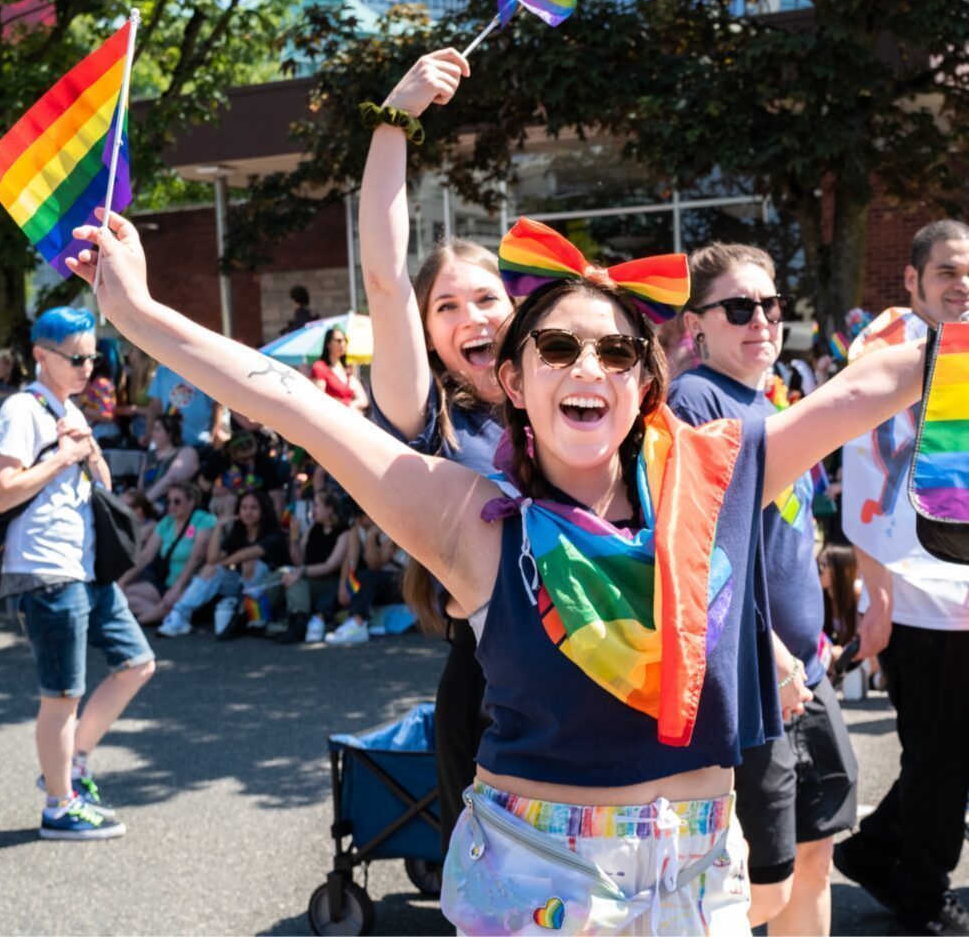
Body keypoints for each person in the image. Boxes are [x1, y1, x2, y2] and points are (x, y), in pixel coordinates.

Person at [68, 187, 932, 931]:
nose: (586, 364)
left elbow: (866, 387)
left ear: (642, 386)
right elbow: (290, 402)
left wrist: (953, 330)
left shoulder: (718, 475)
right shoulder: (473, 518)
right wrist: (139, 312)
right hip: (531, 882)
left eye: (614, 352)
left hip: (697, 875)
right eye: (557, 348)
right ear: (515, 382)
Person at [669, 242, 858, 936]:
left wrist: (817, 636)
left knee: (817, 852)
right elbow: (698, 554)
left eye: (770, 304)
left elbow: (788, 537)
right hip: (753, 682)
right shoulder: (696, 399)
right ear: (697, 326)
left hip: (806, 670)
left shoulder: (772, 396)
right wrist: (769, 648)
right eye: (739, 307)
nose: (762, 320)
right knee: (755, 889)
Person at [358, 48, 514, 853]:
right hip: (485, 689)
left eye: (487, 297)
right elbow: (385, 276)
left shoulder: (567, 405)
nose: (471, 315)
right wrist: (397, 117)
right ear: (426, 334)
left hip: (597, 681)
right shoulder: (429, 419)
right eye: (446, 305)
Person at [836, 219, 969, 937]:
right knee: (941, 757)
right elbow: (864, 483)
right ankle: (921, 900)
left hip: (959, 587)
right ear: (913, 281)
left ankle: (873, 850)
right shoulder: (887, 361)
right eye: (947, 271)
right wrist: (876, 597)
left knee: (946, 753)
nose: (963, 284)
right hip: (919, 595)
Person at [0, 306, 155, 840]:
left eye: (94, 356)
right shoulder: (21, 409)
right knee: (62, 693)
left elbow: (100, 477)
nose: (89, 367)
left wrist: (85, 450)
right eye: (77, 357)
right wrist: (61, 457)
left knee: (137, 663)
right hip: (44, 568)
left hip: (84, 568)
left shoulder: (70, 409)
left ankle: (71, 765)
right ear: (41, 356)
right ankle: (59, 805)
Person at [156, 488, 287, 638]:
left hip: (273, 588)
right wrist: (218, 527)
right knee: (211, 569)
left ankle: (256, 619)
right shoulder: (239, 532)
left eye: (253, 508)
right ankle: (180, 615)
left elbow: (245, 554)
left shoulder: (274, 534)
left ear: (264, 510)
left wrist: (223, 562)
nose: (248, 512)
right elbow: (212, 559)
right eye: (244, 507)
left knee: (249, 563)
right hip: (241, 587)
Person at [118, 482, 216, 625]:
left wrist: (177, 587)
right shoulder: (167, 522)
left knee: (152, 609)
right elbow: (146, 555)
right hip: (166, 584)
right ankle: (166, 614)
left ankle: (152, 616)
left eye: (177, 501)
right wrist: (122, 582)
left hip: (189, 583)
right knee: (122, 594)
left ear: (191, 502)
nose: (171, 505)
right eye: (168, 501)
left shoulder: (203, 519)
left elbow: (196, 557)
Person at [268, 489, 350, 644]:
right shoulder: (314, 528)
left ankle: (298, 621)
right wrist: (293, 539)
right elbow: (299, 561)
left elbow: (330, 566)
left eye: (316, 506)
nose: (313, 511)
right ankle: (255, 612)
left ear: (330, 508)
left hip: (329, 583)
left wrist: (301, 572)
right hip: (310, 577)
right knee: (282, 573)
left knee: (297, 582)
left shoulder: (344, 533)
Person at [324, 510, 409, 645]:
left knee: (367, 577)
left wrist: (370, 535)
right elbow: (351, 560)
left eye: (360, 515)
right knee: (351, 581)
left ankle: (358, 622)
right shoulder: (357, 530)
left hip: (403, 582)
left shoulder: (392, 526)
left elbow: (374, 563)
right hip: (380, 582)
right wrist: (343, 586)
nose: (357, 520)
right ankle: (322, 619)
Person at [197, 429, 285, 516]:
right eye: (244, 458)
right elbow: (203, 480)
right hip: (227, 499)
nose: (250, 461)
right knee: (230, 500)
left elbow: (276, 493)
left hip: (255, 502)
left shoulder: (263, 460)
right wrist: (212, 489)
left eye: (252, 456)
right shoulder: (219, 457)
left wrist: (276, 524)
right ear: (233, 453)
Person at [145, 361, 221, 449]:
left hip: (200, 442)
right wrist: (149, 433)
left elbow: (217, 407)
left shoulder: (206, 372)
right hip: (168, 443)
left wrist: (213, 433)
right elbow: (154, 406)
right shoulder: (163, 370)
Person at [136, 414, 199, 513]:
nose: (152, 433)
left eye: (157, 429)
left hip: (168, 505)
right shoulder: (149, 455)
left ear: (170, 433)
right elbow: (140, 485)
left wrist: (144, 503)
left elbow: (170, 480)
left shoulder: (186, 452)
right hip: (143, 506)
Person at [310, 328, 369, 412]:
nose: (343, 344)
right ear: (328, 344)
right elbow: (318, 400)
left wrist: (350, 405)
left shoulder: (347, 369)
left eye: (345, 340)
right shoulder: (320, 367)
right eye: (338, 341)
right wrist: (346, 405)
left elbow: (363, 400)